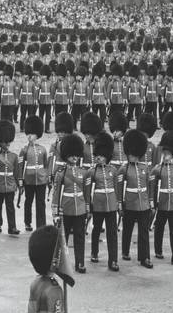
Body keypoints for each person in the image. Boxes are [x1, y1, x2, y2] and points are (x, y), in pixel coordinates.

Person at [51, 133, 91, 274]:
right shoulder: (60, 173)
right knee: (63, 239)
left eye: (76, 154)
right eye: (72, 154)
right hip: (65, 209)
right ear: (66, 154)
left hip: (79, 209)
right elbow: (56, 193)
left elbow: (86, 193)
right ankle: (62, 263)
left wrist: (87, 208)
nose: (75, 157)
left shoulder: (83, 172)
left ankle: (80, 263)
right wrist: (55, 212)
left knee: (80, 237)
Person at [118, 129, 152, 267]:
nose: (131, 156)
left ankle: (144, 257)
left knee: (144, 232)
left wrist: (150, 201)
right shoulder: (123, 169)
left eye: (134, 154)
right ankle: (125, 251)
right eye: (130, 154)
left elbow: (149, 186)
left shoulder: (145, 168)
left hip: (143, 204)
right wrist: (120, 203)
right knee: (127, 229)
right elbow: (119, 188)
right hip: (130, 203)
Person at [87, 131, 120, 271]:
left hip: (111, 205)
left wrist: (118, 203)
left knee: (112, 233)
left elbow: (117, 189)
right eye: (97, 155)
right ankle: (94, 252)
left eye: (101, 156)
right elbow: (88, 190)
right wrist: (89, 206)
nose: (98, 158)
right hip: (98, 205)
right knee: (96, 230)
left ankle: (113, 260)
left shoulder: (113, 170)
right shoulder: (92, 172)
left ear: (106, 156)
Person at [151, 130, 173, 264]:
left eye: (169, 154)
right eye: (165, 154)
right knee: (159, 228)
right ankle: (158, 250)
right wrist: (153, 202)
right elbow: (153, 188)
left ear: (172, 155)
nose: (166, 156)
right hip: (162, 203)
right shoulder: (157, 169)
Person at [0, 119, 20, 236]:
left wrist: (19, 184)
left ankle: (12, 227)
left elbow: (17, 172)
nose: (7, 145)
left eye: (8, 143)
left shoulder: (14, 156)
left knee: (10, 207)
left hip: (10, 186)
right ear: (0, 142)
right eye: (5, 143)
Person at [17, 115, 49, 232]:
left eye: (32, 134)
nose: (29, 136)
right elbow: (20, 166)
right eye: (28, 134)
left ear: (37, 135)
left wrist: (46, 176)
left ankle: (41, 224)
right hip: (29, 179)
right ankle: (28, 222)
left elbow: (46, 165)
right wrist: (20, 180)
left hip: (41, 179)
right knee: (28, 201)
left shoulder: (43, 149)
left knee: (41, 203)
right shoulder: (24, 150)